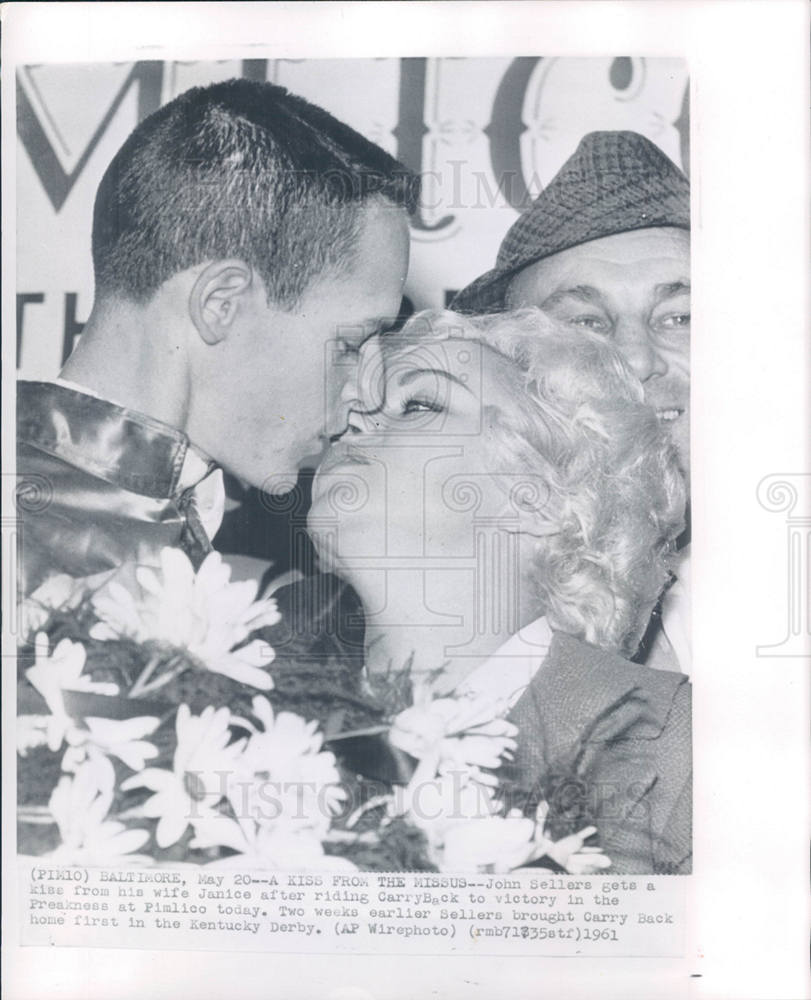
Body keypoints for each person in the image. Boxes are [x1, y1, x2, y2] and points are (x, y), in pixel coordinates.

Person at [308, 308, 691, 874]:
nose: (351, 426)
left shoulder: (681, 747)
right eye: (351, 411)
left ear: (537, 499)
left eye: (417, 404)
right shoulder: (259, 730)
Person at [17, 78, 417, 598]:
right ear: (220, 304)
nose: (367, 393)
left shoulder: (149, 519)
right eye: (350, 344)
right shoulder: (30, 547)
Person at [452, 130, 691, 672]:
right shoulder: (440, 603)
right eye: (584, 325)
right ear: (510, 367)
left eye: (681, 318)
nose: (635, 362)